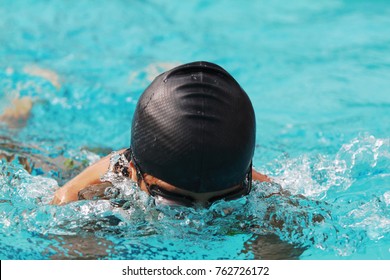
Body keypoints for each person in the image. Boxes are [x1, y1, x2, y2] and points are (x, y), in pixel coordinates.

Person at [51, 61, 271, 207]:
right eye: (173, 202)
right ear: (133, 171)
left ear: (247, 178)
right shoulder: (77, 201)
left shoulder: (257, 189)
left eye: (225, 200)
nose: (201, 216)